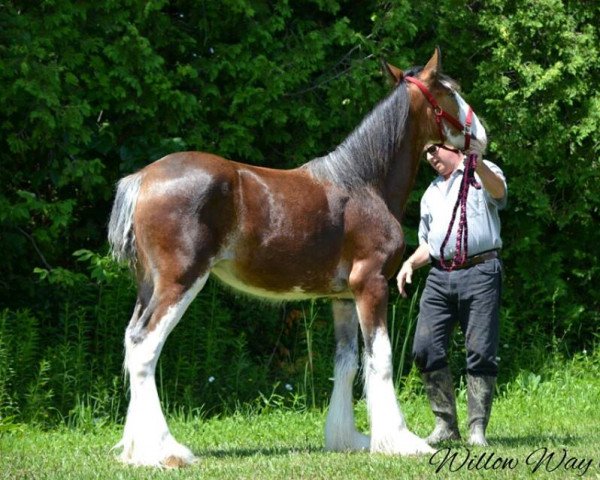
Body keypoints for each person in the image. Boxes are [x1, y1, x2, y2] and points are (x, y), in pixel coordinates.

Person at [397, 143, 507, 446]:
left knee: (481, 350)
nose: (431, 157)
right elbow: (429, 245)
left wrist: (479, 162)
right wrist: (409, 263)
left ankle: (476, 430)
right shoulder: (431, 192)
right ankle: (446, 424)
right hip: (439, 276)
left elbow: (499, 193)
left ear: (452, 146)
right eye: (425, 154)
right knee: (424, 347)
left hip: (481, 270)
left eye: (434, 149)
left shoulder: (481, 172)